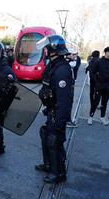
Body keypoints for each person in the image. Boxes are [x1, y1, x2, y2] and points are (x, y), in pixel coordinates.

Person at [34, 35, 72, 184]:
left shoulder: (62, 69)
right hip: (51, 110)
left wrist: (60, 119)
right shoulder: (54, 65)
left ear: (53, 49)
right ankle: (49, 164)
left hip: (57, 113)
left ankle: (59, 173)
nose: (44, 50)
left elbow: (64, 99)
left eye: (46, 48)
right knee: (45, 134)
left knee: (54, 140)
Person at [88, 47, 109, 126]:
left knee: (104, 102)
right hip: (99, 85)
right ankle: (91, 117)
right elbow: (92, 73)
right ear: (106, 52)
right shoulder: (98, 62)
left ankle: (102, 117)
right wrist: (96, 82)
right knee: (96, 102)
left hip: (107, 86)